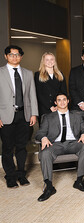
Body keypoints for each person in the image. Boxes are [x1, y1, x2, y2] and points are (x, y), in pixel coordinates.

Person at [35, 93, 84, 202]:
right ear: (55, 103)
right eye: (59, 100)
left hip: (73, 143)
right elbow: (39, 133)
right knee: (45, 153)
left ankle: (79, 181)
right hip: (55, 144)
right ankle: (49, 186)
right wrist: (43, 138)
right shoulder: (48, 117)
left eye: (64, 99)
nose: (62, 102)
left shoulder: (76, 115)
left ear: (68, 101)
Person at [0, 45, 38, 188]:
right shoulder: (0, 72)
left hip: (24, 115)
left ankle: (21, 174)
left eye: (17, 55)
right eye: (11, 54)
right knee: (8, 148)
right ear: (6, 56)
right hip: (5, 116)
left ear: (21, 57)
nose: (14, 57)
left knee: (22, 147)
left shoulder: (28, 73)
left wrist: (33, 113)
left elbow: (32, 95)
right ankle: (10, 176)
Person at [34, 52, 67, 120]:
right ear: (43, 62)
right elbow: (39, 93)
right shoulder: (38, 75)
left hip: (59, 107)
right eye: (47, 60)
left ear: (54, 61)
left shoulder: (60, 74)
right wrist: (50, 106)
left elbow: (63, 92)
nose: (50, 61)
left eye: (52, 59)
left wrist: (58, 105)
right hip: (45, 108)